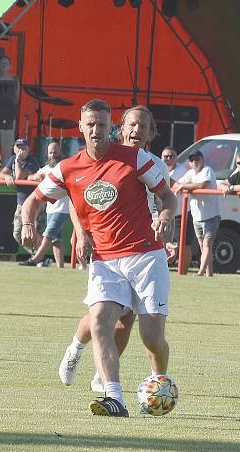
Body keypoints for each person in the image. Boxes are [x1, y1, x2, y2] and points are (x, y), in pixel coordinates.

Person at [23, 99, 177, 417]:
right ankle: (114, 397)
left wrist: (165, 216)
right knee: (99, 321)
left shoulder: (136, 159)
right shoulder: (67, 168)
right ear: (81, 127)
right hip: (105, 261)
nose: (96, 130)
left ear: (111, 128)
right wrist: (28, 222)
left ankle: (159, 380)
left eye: (103, 125)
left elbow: (167, 195)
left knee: (151, 337)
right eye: (91, 124)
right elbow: (34, 201)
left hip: (146, 257)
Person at [58, 105, 169, 391]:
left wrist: (165, 230)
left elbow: (165, 202)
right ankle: (75, 349)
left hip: (143, 250)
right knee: (103, 316)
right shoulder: (104, 157)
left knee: (126, 322)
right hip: (108, 248)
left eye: (143, 127)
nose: (136, 130)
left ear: (151, 134)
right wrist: (81, 233)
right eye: (132, 125)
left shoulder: (155, 165)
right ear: (119, 128)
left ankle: (102, 375)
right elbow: (75, 196)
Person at [172, 150, 221, 277]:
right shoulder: (190, 173)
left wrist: (185, 186)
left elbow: (203, 184)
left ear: (202, 159)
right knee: (203, 246)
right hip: (197, 216)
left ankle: (200, 272)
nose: (194, 162)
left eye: (197, 159)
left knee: (206, 245)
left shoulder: (207, 170)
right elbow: (178, 183)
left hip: (211, 215)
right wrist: (182, 185)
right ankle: (209, 274)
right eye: (192, 160)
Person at [21, 141, 69, 267]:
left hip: (63, 208)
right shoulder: (47, 169)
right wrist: (36, 176)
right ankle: (61, 267)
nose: (53, 155)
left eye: (55, 152)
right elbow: (30, 177)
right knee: (56, 239)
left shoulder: (64, 166)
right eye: (50, 152)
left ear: (61, 153)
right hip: (51, 208)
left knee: (48, 233)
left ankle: (36, 259)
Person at [0, 138, 41, 247]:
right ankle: (36, 254)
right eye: (18, 147)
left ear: (29, 149)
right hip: (21, 202)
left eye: (23, 148)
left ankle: (39, 257)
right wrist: (7, 176)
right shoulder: (12, 158)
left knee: (33, 231)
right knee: (17, 232)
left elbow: (19, 176)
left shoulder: (32, 161)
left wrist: (17, 161)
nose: (21, 150)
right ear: (14, 148)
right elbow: (1, 174)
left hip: (33, 202)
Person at [162, 147, 194, 267]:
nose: (169, 159)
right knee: (166, 241)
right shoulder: (161, 168)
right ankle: (170, 266)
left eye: (172, 156)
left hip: (182, 212)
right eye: (166, 156)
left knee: (184, 244)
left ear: (176, 158)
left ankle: (183, 270)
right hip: (167, 212)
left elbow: (173, 183)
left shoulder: (181, 170)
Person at [220, 151, 240, 261]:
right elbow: (222, 184)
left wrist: (231, 189)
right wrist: (226, 188)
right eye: (239, 163)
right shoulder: (237, 175)